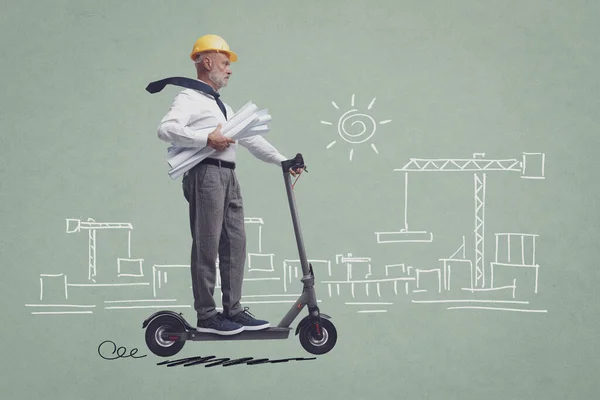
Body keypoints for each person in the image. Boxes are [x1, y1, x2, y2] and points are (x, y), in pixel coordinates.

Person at [155, 34, 300, 336]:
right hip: (206, 174)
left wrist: (282, 161)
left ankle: (232, 311)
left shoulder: (222, 107)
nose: (230, 69)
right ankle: (207, 315)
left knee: (235, 243)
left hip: (229, 175)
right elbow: (166, 129)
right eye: (224, 62)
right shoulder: (188, 98)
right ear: (207, 62)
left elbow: (250, 138)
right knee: (207, 244)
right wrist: (206, 138)